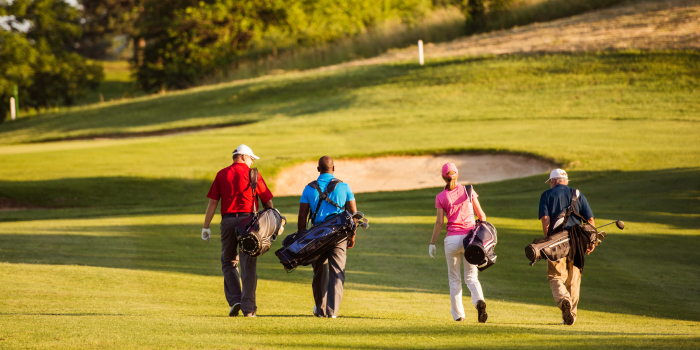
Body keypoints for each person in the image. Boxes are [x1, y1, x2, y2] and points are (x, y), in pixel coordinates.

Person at [201, 144, 274, 317]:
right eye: (251, 158)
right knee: (248, 265)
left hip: (227, 221)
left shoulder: (221, 174)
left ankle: (235, 300)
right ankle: (248, 310)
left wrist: (206, 226)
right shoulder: (253, 174)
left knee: (228, 261)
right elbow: (268, 202)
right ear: (242, 157)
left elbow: (213, 202)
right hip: (249, 223)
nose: (251, 162)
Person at [297, 156, 357, 318]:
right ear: (334, 168)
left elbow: (302, 217)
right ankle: (332, 312)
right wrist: (352, 236)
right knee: (337, 272)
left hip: (316, 236)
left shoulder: (309, 188)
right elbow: (354, 215)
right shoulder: (344, 187)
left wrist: (301, 239)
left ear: (318, 170)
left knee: (319, 273)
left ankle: (320, 309)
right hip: (339, 234)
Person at [429, 163, 488, 323]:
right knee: (471, 277)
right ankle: (479, 302)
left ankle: (458, 316)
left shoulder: (440, 197)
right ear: (457, 174)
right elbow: (481, 215)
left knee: (454, 279)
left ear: (443, 177)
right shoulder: (468, 191)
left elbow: (439, 223)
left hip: (452, 241)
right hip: (470, 240)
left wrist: (432, 243)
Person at [539, 169, 596, 325]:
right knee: (574, 279)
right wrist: (592, 241)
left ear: (553, 181)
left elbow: (545, 219)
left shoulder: (546, 195)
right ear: (565, 180)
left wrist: (547, 240)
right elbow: (590, 219)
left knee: (555, 276)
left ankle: (564, 301)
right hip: (578, 241)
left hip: (557, 242)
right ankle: (571, 315)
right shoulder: (577, 194)